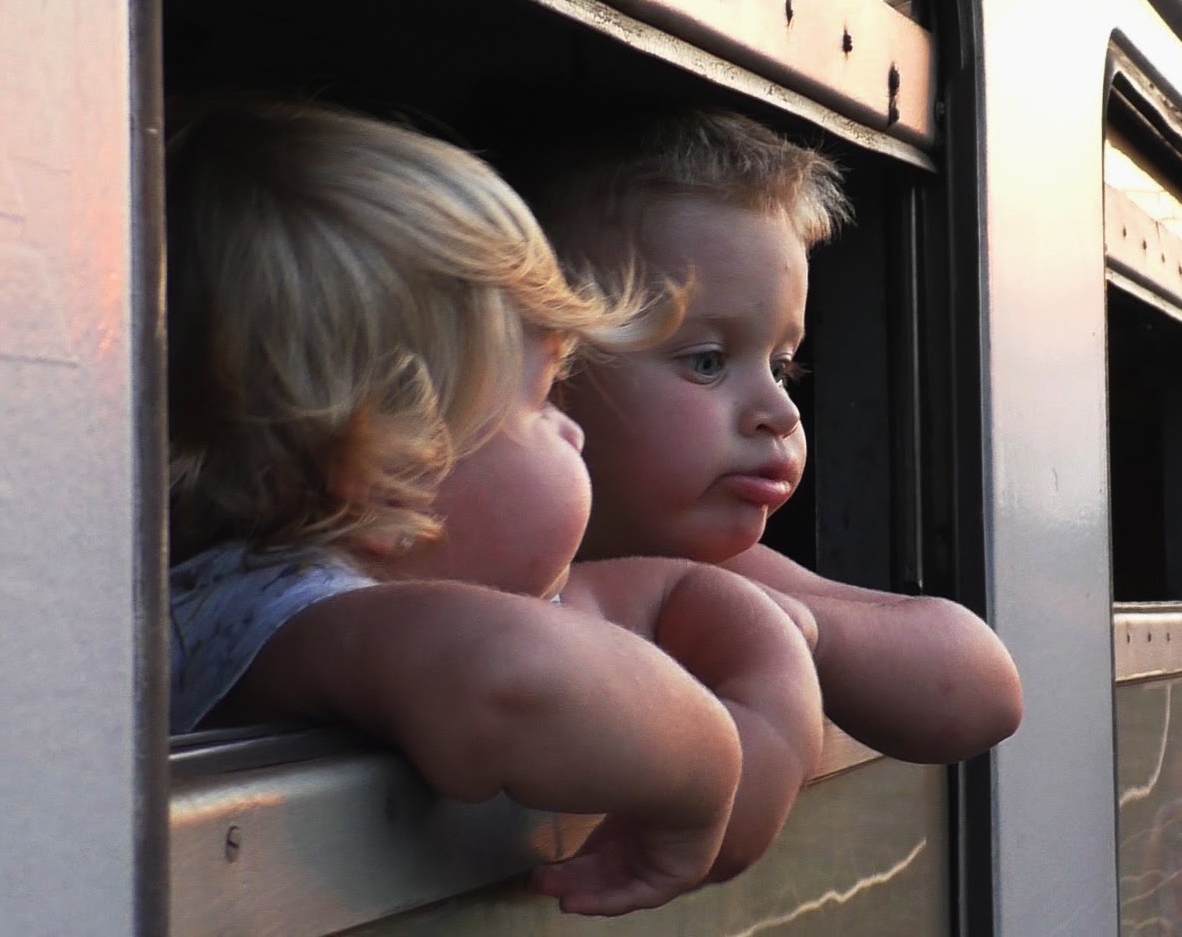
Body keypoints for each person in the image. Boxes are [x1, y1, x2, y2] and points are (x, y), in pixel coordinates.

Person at [165, 102, 821, 915]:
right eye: (542, 398)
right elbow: (518, 676)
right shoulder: (290, 612)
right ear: (385, 466)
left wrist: (775, 699)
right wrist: (707, 772)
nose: (574, 429)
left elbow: (673, 596)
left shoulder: (321, 601)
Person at [522, 108, 1024, 764]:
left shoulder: (710, 570)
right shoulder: (467, 553)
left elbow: (980, 690)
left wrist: (786, 633)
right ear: (544, 374)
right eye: (706, 361)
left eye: (782, 367)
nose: (779, 411)